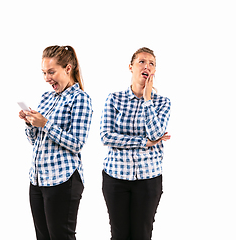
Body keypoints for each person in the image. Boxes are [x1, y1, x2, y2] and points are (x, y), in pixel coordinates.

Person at [18, 45, 93, 240]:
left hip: (63, 180)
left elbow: (77, 143)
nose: (46, 78)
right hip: (37, 180)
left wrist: (46, 124)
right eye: (44, 72)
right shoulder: (46, 97)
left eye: (51, 72)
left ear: (68, 68)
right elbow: (35, 141)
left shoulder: (81, 99)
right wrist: (30, 124)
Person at [100, 47, 171, 240]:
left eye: (151, 64)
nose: (146, 66)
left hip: (149, 179)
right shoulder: (114, 99)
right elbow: (106, 137)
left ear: (154, 71)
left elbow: (156, 133)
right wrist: (144, 142)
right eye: (142, 61)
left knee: (142, 234)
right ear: (131, 67)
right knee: (119, 235)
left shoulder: (163, 103)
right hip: (115, 178)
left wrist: (147, 99)